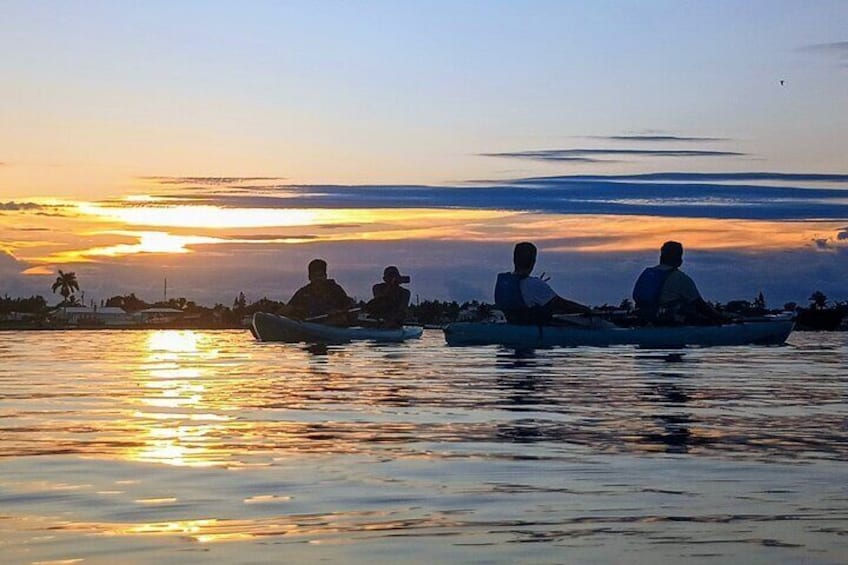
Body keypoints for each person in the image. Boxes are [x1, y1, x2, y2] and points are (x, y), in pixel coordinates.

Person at [494, 242, 591, 325]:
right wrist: (587, 310)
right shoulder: (535, 284)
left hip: (512, 324)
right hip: (532, 327)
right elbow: (561, 304)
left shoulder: (504, 282)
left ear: (514, 259)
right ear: (533, 262)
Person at [632, 241, 725, 325]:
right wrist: (721, 318)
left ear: (661, 258)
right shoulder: (681, 278)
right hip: (669, 322)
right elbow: (700, 305)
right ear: (680, 261)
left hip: (645, 320)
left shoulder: (647, 274)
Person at [286, 259, 354, 325]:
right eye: (315, 276)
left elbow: (349, 305)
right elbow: (289, 307)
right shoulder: (303, 292)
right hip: (310, 325)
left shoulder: (335, 289)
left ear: (325, 276)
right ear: (309, 277)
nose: (318, 279)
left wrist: (340, 311)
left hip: (334, 326)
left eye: (321, 275)